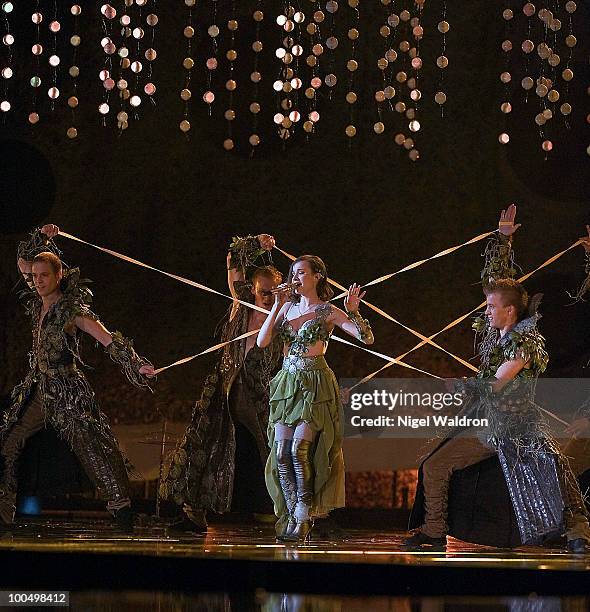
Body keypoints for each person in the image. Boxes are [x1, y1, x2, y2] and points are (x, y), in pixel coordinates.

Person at [406, 205, 590, 552]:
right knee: (435, 465)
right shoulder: (501, 334)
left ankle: (578, 533)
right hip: (490, 423)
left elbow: (497, 383)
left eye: (491, 307)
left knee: (555, 474)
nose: (486, 311)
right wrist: (503, 239)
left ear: (509, 311)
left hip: (513, 428)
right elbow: (498, 285)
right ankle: (433, 530)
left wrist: (460, 385)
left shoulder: (524, 342)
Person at [1, 224, 155, 530]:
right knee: (8, 440)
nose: (38, 281)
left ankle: (122, 509)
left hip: (67, 391)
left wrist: (136, 365)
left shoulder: (73, 310)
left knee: (92, 447)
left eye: (45, 275)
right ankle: (3, 513)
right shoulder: (37, 303)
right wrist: (42, 238)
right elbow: (22, 260)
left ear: (59, 276)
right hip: (38, 390)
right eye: (35, 276)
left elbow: (107, 338)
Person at [160, 234, 284, 531]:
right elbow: (233, 258)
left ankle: (292, 514)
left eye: (273, 292)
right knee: (204, 442)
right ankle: (194, 512)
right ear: (253, 289)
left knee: (275, 448)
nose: (267, 296)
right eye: (263, 291)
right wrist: (256, 242)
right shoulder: (240, 305)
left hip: (262, 392)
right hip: (224, 387)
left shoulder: (282, 316)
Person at [257, 255, 374, 542]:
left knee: (299, 450)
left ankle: (303, 515)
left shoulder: (327, 311)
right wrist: (275, 307)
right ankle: (294, 512)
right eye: (293, 273)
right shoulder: (286, 308)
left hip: (315, 383)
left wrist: (353, 311)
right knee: (282, 453)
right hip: (287, 384)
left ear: (317, 276)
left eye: (301, 273)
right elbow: (262, 341)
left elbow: (366, 338)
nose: (295, 278)